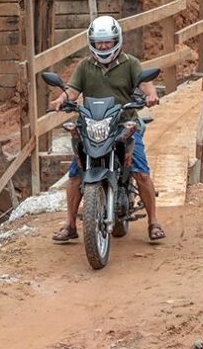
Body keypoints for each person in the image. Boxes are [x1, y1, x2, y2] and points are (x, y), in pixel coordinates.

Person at [48, 15, 165, 243]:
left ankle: (153, 222)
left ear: (116, 41)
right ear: (91, 42)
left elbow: (145, 83)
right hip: (92, 123)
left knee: (141, 172)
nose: (103, 46)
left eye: (108, 42)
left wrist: (151, 95)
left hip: (124, 123)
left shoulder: (130, 63)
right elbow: (72, 91)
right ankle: (70, 224)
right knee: (74, 176)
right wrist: (61, 100)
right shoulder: (84, 65)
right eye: (99, 42)